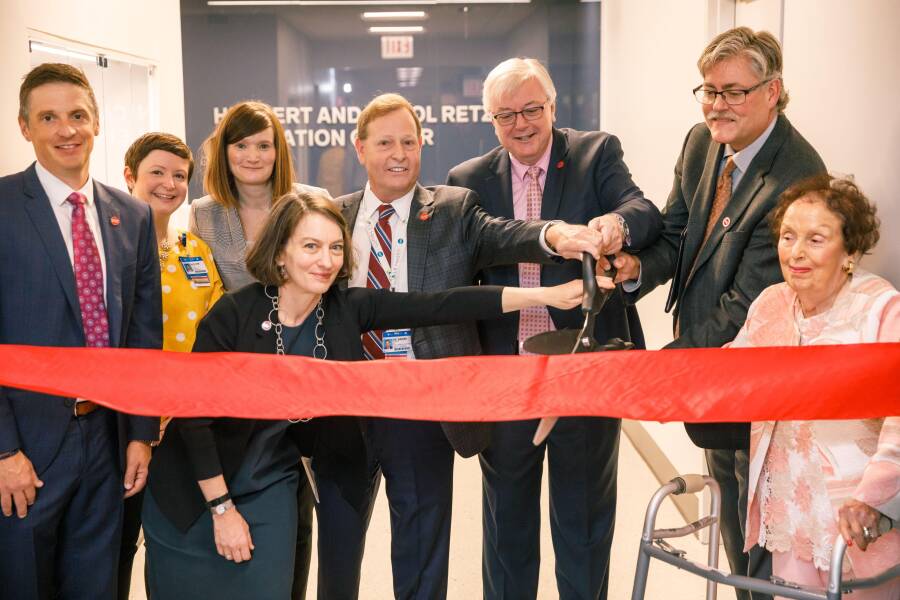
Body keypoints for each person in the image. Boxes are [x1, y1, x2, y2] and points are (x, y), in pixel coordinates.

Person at [142, 190, 590, 600]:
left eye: (335, 247)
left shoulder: (345, 308)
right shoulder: (234, 315)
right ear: (280, 252)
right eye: (310, 246)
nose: (326, 260)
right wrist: (221, 509)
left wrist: (546, 294)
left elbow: (441, 304)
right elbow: (194, 416)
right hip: (198, 487)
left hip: (269, 484)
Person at [317, 92, 608, 600]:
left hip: (424, 403)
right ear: (360, 148)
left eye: (409, 141)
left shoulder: (453, 210)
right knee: (339, 547)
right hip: (347, 402)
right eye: (385, 142)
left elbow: (510, 234)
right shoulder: (330, 218)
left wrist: (556, 234)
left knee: (422, 548)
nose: (399, 154)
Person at [602, 27, 826, 598]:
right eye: (706, 90)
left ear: (772, 91)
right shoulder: (702, 143)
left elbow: (750, 306)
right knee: (727, 493)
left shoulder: (796, 175)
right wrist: (635, 269)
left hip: (756, 374)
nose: (715, 105)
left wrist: (666, 367)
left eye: (732, 92)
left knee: (758, 514)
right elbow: (678, 232)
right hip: (709, 367)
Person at [446, 57, 662, 600]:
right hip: (508, 377)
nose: (521, 124)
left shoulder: (595, 153)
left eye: (532, 110)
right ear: (490, 119)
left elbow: (644, 210)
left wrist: (616, 225)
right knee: (506, 524)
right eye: (506, 115)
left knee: (584, 521)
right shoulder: (467, 181)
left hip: (585, 372)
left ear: (553, 106)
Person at [0, 63, 161, 599]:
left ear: (97, 122)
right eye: (48, 117)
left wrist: (141, 432)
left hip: (107, 440)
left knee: (99, 584)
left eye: (77, 115)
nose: (66, 129)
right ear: (25, 127)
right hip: (26, 447)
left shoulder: (132, 215)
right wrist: (3, 452)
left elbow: (143, 335)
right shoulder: (2, 207)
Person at [728, 175, 899, 599]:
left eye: (816, 239)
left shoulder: (880, 308)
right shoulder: (771, 303)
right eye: (788, 236)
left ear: (850, 251)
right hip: (790, 507)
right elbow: (727, 374)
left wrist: (874, 498)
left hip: (859, 512)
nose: (796, 252)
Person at [189, 99, 327, 597]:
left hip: (298, 379)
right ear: (223, 152)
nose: (252, 155)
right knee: (241, 503)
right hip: (234, 389)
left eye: (263, 145)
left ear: (279, 150)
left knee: (296, 514)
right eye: (241, 144)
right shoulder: (203, 215)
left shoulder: (310, 200)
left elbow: (328, 281)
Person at [117, 132, 224, 599]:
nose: (169, 184)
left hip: (187, 429)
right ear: (129, 177)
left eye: (179, 176)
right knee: (117, 547)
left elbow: (218, 328)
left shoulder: (193, 249)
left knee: (178, 547)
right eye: (156, 173)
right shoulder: (112, 248)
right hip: (124, 427)